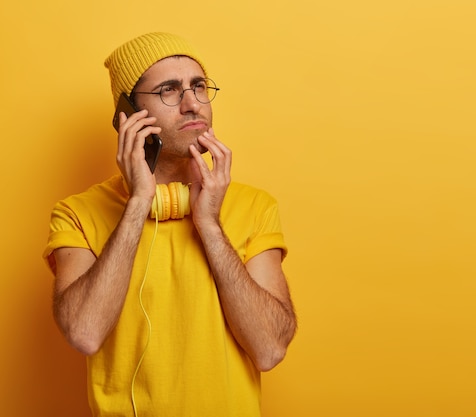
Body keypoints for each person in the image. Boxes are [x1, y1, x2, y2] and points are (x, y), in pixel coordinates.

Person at [42, 32, 297, 416]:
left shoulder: (255, 207)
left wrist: (209, 225)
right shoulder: (76, 213)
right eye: (169, 90)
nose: (193, 104)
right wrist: (138, 203)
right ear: (128, 114)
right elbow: (84, 333)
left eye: (199, 86)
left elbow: (270, 349)